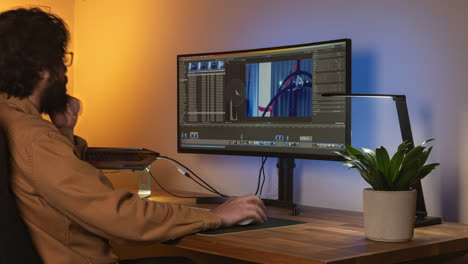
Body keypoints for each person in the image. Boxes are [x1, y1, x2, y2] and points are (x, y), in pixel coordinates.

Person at [0, 8, 266, 264]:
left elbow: (59, 194)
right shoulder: (37, 139)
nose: (65, 71)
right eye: (61, 60)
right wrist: (216, 217)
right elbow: (120, 217)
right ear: (41, 70)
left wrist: (65, 131)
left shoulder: (12, 122)